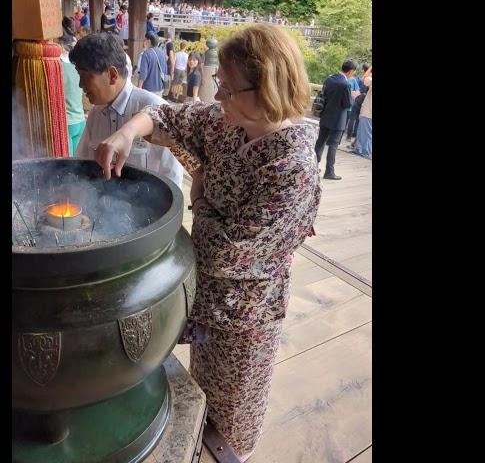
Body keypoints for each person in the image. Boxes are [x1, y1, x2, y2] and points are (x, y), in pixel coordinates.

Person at [92, 24, 321, 462]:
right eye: (220, 85)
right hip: (205, 294)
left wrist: (198, 197)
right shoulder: (229, 122)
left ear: (269, 89)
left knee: (230, 419)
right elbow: (166, 116)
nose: (218, 98)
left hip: (245, 315)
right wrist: (126, 133)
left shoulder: (293, 165)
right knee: (196, 393)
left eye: (229, 89)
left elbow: (227, 252)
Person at [69, 32, 184, 188]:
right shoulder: (96, 114)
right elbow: (81, 163)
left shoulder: (158, 111)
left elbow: (173, 177)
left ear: (112, 75)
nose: (81, 85)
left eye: (85, 76)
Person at [314, 59, 355, 180]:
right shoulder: (346, 84)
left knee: (320, 143)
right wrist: (353, 95)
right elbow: (348, 104)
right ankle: (329, 172)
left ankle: (313, 168)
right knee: (333, 145)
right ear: (350, 71)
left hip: (326, 115)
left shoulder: (330, 79)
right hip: (338, 120)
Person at [59, 40, 86, 156]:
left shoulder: (58, 69)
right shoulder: (77, 69)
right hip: (80, 120)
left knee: (68, 165)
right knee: (77, 163)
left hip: (68, 123)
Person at [138, 32, 168, 97]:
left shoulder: (146, 54)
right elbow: (165, 71)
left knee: (148, 107)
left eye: (144, 39)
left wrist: (139, 89)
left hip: (148, 90)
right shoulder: (162, 53)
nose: (143, 41)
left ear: (148, 41)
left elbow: (143, 74)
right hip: (160, 88)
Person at [354, 65, 372, 159]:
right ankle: (359, 149)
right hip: (368, 112)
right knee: (364, 132)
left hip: (368, 112)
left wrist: (370, 67)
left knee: (366, 133)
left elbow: (363, 78)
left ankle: (365, 152)